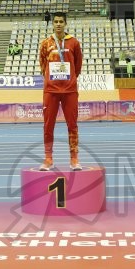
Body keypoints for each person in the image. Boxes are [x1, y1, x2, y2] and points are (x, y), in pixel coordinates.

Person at [38, 11, 83, 171]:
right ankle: (48, 158)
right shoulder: (45, 43)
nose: (58, 24)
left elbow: (77, 66)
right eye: (55, 21)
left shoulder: (74, 43)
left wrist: (69, 79)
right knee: (48, 126)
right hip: (51, 90)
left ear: (65, 24)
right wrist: (52, 80)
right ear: (52, 24)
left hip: (70, 90)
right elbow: (43, 65)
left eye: (61, 22)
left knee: (72, 125)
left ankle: (74, 159)